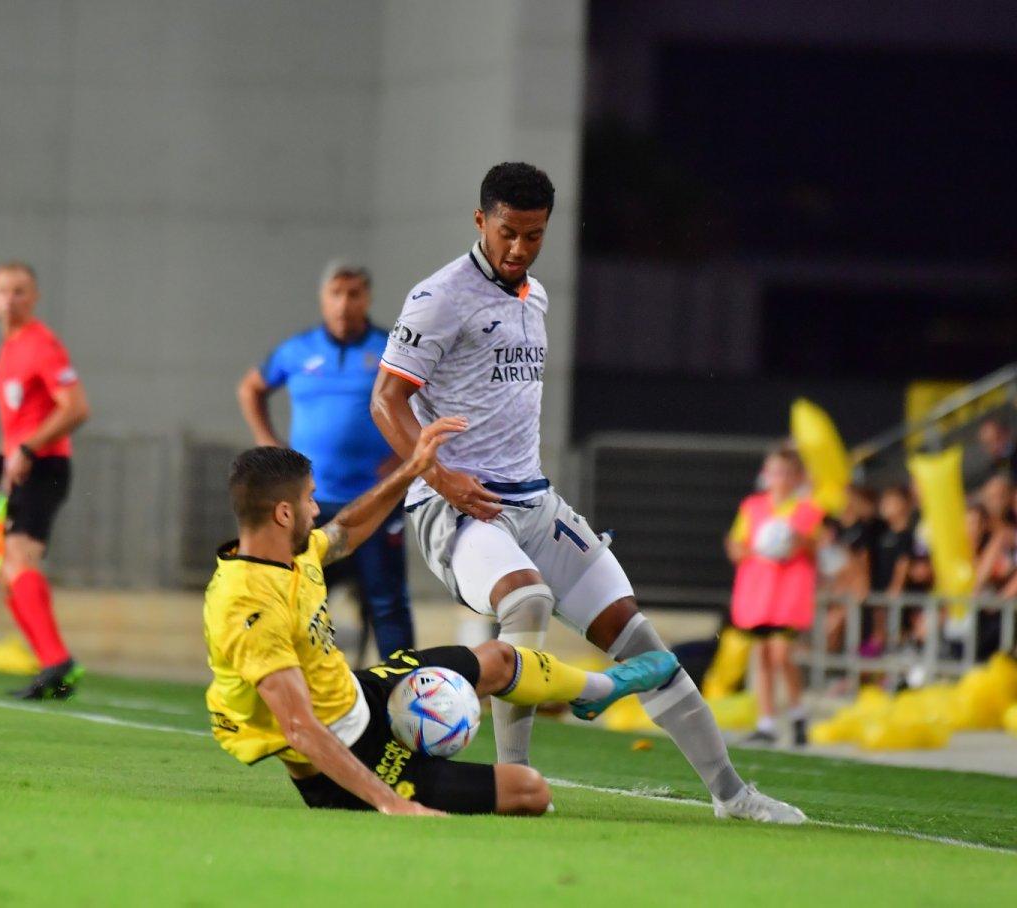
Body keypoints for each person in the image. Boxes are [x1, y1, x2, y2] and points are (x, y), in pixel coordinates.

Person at [370, 162, 805, 823]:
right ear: (481, 220)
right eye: (508, 232)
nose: (519, 248)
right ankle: (514, 783)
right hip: (459, 506)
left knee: (645, 646)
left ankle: (732, 795)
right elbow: (385, 400)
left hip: (534, 503)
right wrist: (441, 476)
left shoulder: (536, 297)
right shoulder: (440, 297)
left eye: (535, 235)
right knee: (527, 600)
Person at [203, 417, 679, 816]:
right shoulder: (249, 608)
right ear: (284, 514)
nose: (316, 508)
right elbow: (300, 729)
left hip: (360, 695)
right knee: (530, 791)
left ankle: (599, 690)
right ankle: (420, 774)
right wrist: (392, 803)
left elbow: (345, 531)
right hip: (347, 756)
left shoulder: (291, 551)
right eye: (309, 498)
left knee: (499, 658)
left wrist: (414, 469)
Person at [237, 261, 411, 664]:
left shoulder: (390, 349)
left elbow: (429, 396)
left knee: (386, 601)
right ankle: (291, 676)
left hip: (373, 502)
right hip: (310, 503)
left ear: (367, 298)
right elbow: (251, 388)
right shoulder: (298, 350)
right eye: (336, 294)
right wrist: (266, 441)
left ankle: (405, 685)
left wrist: (404, 453)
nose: (344, 304)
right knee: (297, 595)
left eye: (354, 294)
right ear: (323, 298)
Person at [0, 261, 90, 699]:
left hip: (47, 467)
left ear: (34, 297)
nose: (10, 299)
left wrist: (30, 451)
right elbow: (21, 425)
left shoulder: (42, 345)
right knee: (10, 573)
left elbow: (76, 408)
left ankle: (57, 663)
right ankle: (52, 666)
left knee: (19, 559)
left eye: (20, 291)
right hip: (24, 469)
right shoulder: (10, 348)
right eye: (3, 290)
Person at [725, 447, 823, 746]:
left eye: (786, 473)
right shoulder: (752, 507)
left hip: (789, 595)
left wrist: (795, 542)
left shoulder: (807, 510)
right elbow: (737, 544)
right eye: (774, 472)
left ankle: (797, 713)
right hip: (758, 594)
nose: (779, 479)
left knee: (782, 655)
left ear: (797, 477)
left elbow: (814, 548)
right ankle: (766, 722)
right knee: (763, 655)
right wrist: (751, 549)